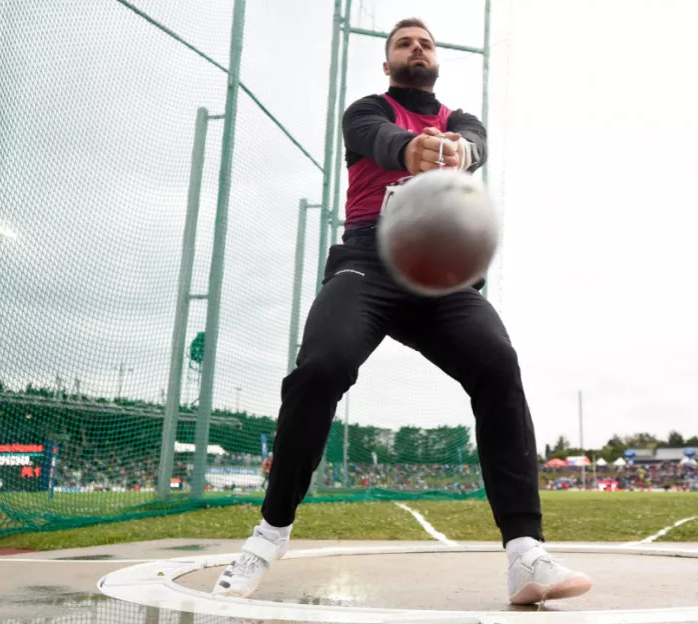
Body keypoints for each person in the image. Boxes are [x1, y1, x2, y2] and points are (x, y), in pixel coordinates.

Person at [213, 18, 592, 605]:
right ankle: (270, 534)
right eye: (403, 43)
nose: (417, 48)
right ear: (388, 63)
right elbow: (379, 138)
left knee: (499, 363)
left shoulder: (461, 122)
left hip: (442, 275)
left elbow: (476, 145)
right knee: (322, 367)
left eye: (426, 43)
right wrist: (409, 148)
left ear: (437, 59)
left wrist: (458, 150)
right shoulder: (367, 111)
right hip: (369, 260)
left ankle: (525, 554)